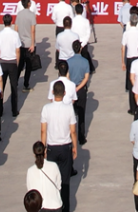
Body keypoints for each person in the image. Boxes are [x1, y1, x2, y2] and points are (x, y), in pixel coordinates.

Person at [41, 80, 78, 212]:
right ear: (64, 93)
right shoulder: (69, 108)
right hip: (65, 147)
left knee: (52, 180)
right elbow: (72, 131)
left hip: (51, 148)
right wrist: (75, 147)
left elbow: (43, 131)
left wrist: (43, 148)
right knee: (65, 181)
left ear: (52, 92)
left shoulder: (46, 109)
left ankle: (53, 206)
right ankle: (65, 208)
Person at [27, 141, 63, 212]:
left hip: (39, 207)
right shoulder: (54, 166)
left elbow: (30, 191)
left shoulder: (30, 171)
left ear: (34, 154)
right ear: (45, 151)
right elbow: (59, 186)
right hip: (55, 205)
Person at [17, 0, 38, 93]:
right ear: (29, 4)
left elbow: (16, 28)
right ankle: (26, 85)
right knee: (28, 66)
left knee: (20, 64)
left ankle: (15, 82)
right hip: (29, 44)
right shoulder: (32, 15)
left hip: (20, 43)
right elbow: (33, 30)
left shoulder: (19, 14)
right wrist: (33, 44)